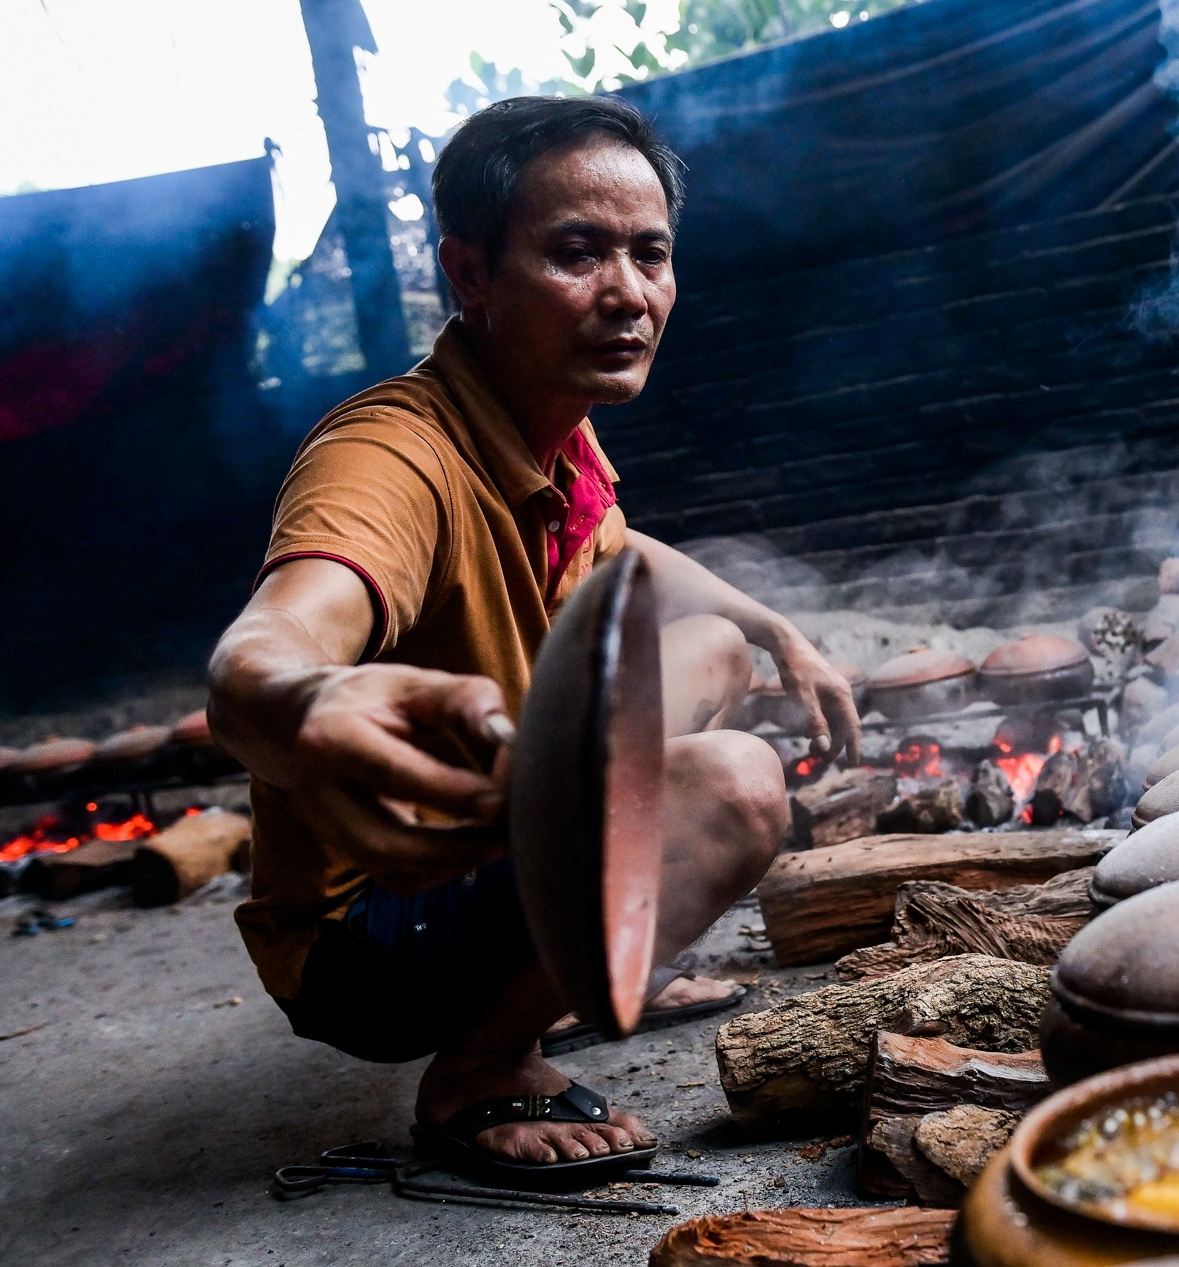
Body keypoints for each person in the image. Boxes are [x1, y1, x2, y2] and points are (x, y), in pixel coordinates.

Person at [207, 95, 860, 1179]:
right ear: (469, 275)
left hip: (492, 846)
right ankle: (480, 1060)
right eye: (575, 253)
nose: (628, 294)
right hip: (370, 934)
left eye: (650, 255)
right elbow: (260, 655)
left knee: (709, 650)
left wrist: (772, 623)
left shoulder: (548, 417)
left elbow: (628, 549)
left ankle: (577, 968)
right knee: (738, 785)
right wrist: (303, 699)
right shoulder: (391, 456)